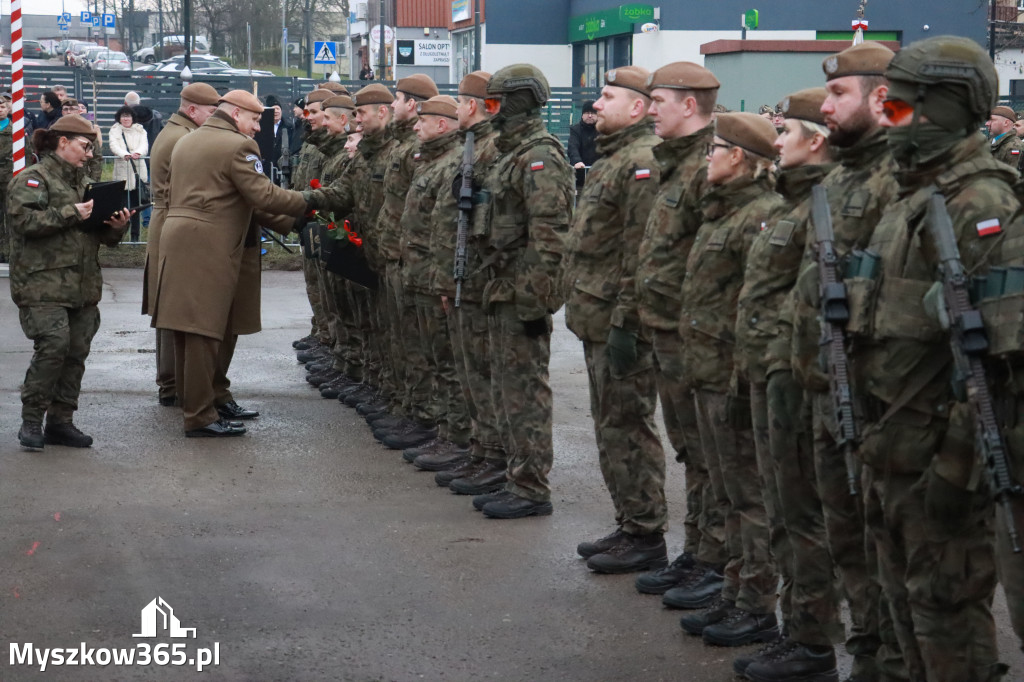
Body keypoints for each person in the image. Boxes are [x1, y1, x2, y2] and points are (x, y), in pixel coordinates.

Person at [844, 35, 1018, 681]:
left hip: (943, 459)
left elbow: (999, 367)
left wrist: (956, 469)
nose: (887, 119)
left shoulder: (984, 203)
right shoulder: (913, 198)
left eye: (899, 107)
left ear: (945, 105)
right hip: (891, 441)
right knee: (898, 601)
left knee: (944, 607)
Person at [788, 40, 901, 682]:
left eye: (837, 94)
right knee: (848, 539)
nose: (825, 106)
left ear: (881, 99)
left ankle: (887, 657)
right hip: (828, 390)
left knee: (883, 543)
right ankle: (867, 651)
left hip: (876, 399)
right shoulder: (845, 175)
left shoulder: (896, 178)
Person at [731, 88, 844, 681]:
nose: (776, 144)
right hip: (771, 374)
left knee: (805, 518)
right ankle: (797, 630)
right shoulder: (790, 203)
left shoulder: (827, 207)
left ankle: (813, 641)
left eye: (787, 134)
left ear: (816, 141)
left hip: (801, 381)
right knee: (782, 509)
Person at [674, 112, 782, 647]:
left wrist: (742, 383)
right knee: (727, 491)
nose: (708, 157)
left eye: (714, 149)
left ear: (738, 156)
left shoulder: (758, 216)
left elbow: (754, 309)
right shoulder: (724, 212)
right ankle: (736, 588)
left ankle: (757, 604)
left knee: (749, 496)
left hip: (731, 377)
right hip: (707, 370)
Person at [151, 90, 312, 437]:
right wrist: (309, 202)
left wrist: (289, 222)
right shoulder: (237, 145)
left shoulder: (190, 140)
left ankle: (208, 400)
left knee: (194, 330)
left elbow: (233, 198)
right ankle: (200, 415)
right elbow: (263, 195)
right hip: (208, 245)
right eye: (254, 120)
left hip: (183, 241)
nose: (256, 129)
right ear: (236, 114)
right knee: (203, 333)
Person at [562, 66, 668, 573]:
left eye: (608, 96)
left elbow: (639, 253)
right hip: (597, 315)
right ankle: (630, 522)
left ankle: (647, 534)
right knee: (610, 426)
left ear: (640, 106)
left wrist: (628, 322)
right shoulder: (615, 158)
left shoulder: (643, 161)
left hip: (618, 319)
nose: (596, 104)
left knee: (628, 424)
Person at [632, 63, 728, 603]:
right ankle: (698, 550)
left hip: (696, 333)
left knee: (712, 455)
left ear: (689, 105)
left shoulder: (707, 166)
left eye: (659, 101)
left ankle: (716, 559)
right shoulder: (675, 163)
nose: (651, 110)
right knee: (691, 452)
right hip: (667, 329)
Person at [464, 64, 573, 519]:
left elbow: (550, 237)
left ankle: (531, 486)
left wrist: (534, 300)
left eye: (496, 103)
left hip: (520, 293)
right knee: (506, 390)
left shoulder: (540, 157)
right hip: (500, 286)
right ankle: (515, 474)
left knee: (525, 392)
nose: (490, 112)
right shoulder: (507, 153)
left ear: (518, 102)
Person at [8, 115, 132, 449]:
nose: (89, 155)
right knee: (53, 347)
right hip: (41, 285)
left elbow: (98, 236)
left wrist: (116, 226)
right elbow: (24, 222)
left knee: (76, 352)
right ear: (63, 141)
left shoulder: (82, 183)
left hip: (82, 285)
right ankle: (31, 421)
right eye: (85, 146)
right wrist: (72, 213)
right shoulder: (33, 179)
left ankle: (61, 421)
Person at [416, 71, 506, 482]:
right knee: (464, 371)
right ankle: (474, 447)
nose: (456, 108)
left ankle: (486, 452)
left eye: (459, 101)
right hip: (455, 276)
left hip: (475, 280)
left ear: (472, 105)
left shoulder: (488, 149)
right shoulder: (470, 147)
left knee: (478, 373)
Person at [142, 81, 221, 409]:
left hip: (166, 221)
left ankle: (171, 385)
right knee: (176, 311)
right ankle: (174, 386)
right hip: (174, 222)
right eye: (211, 112)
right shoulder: (184, 138)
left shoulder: (175, 131)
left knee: (170, 310)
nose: (216, 118)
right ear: (192, 110)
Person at [109, 105, 149, 241]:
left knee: (136, 207)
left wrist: (138, 153)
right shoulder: (114, 130)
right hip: (123, 171)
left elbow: (144, 145)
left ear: (133, 118)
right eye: (123, 116)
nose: (126, 118)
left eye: (128, 116)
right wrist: (124, 154)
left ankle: (135, 236)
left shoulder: (140, 130)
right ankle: (120, 236)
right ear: (119, 118)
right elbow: (113, 145)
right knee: (123, 208)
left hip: (137, 171)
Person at [568, 100, 599, 189]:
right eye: (587, 113)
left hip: (600, 177)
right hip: (580, 178)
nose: (590, 115)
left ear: (597, 115)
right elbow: (572, 146)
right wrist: (577, 161)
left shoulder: (602, 130)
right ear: (582, 115)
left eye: (592, 113)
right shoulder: (575, 130)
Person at [0, 93, 12, 263]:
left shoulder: (15, 129)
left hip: (9, 177)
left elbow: (26, 153)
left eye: (2, 106)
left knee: (10, 214)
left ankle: (9, 250)